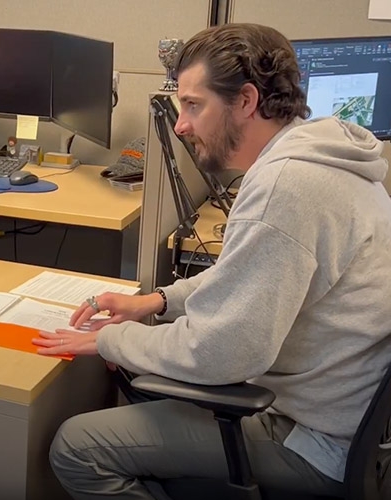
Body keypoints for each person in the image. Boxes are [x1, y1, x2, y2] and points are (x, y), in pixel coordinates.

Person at [33, 23, 391, 499]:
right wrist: (159, 301)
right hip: (341, 417)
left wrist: (110, 340)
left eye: (193, 105)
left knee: (77, 447)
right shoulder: (323, 159)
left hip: (309, 438)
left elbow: (219, 352)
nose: (180, 125)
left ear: (245, 101)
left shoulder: (286, 187)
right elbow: (245, 277)